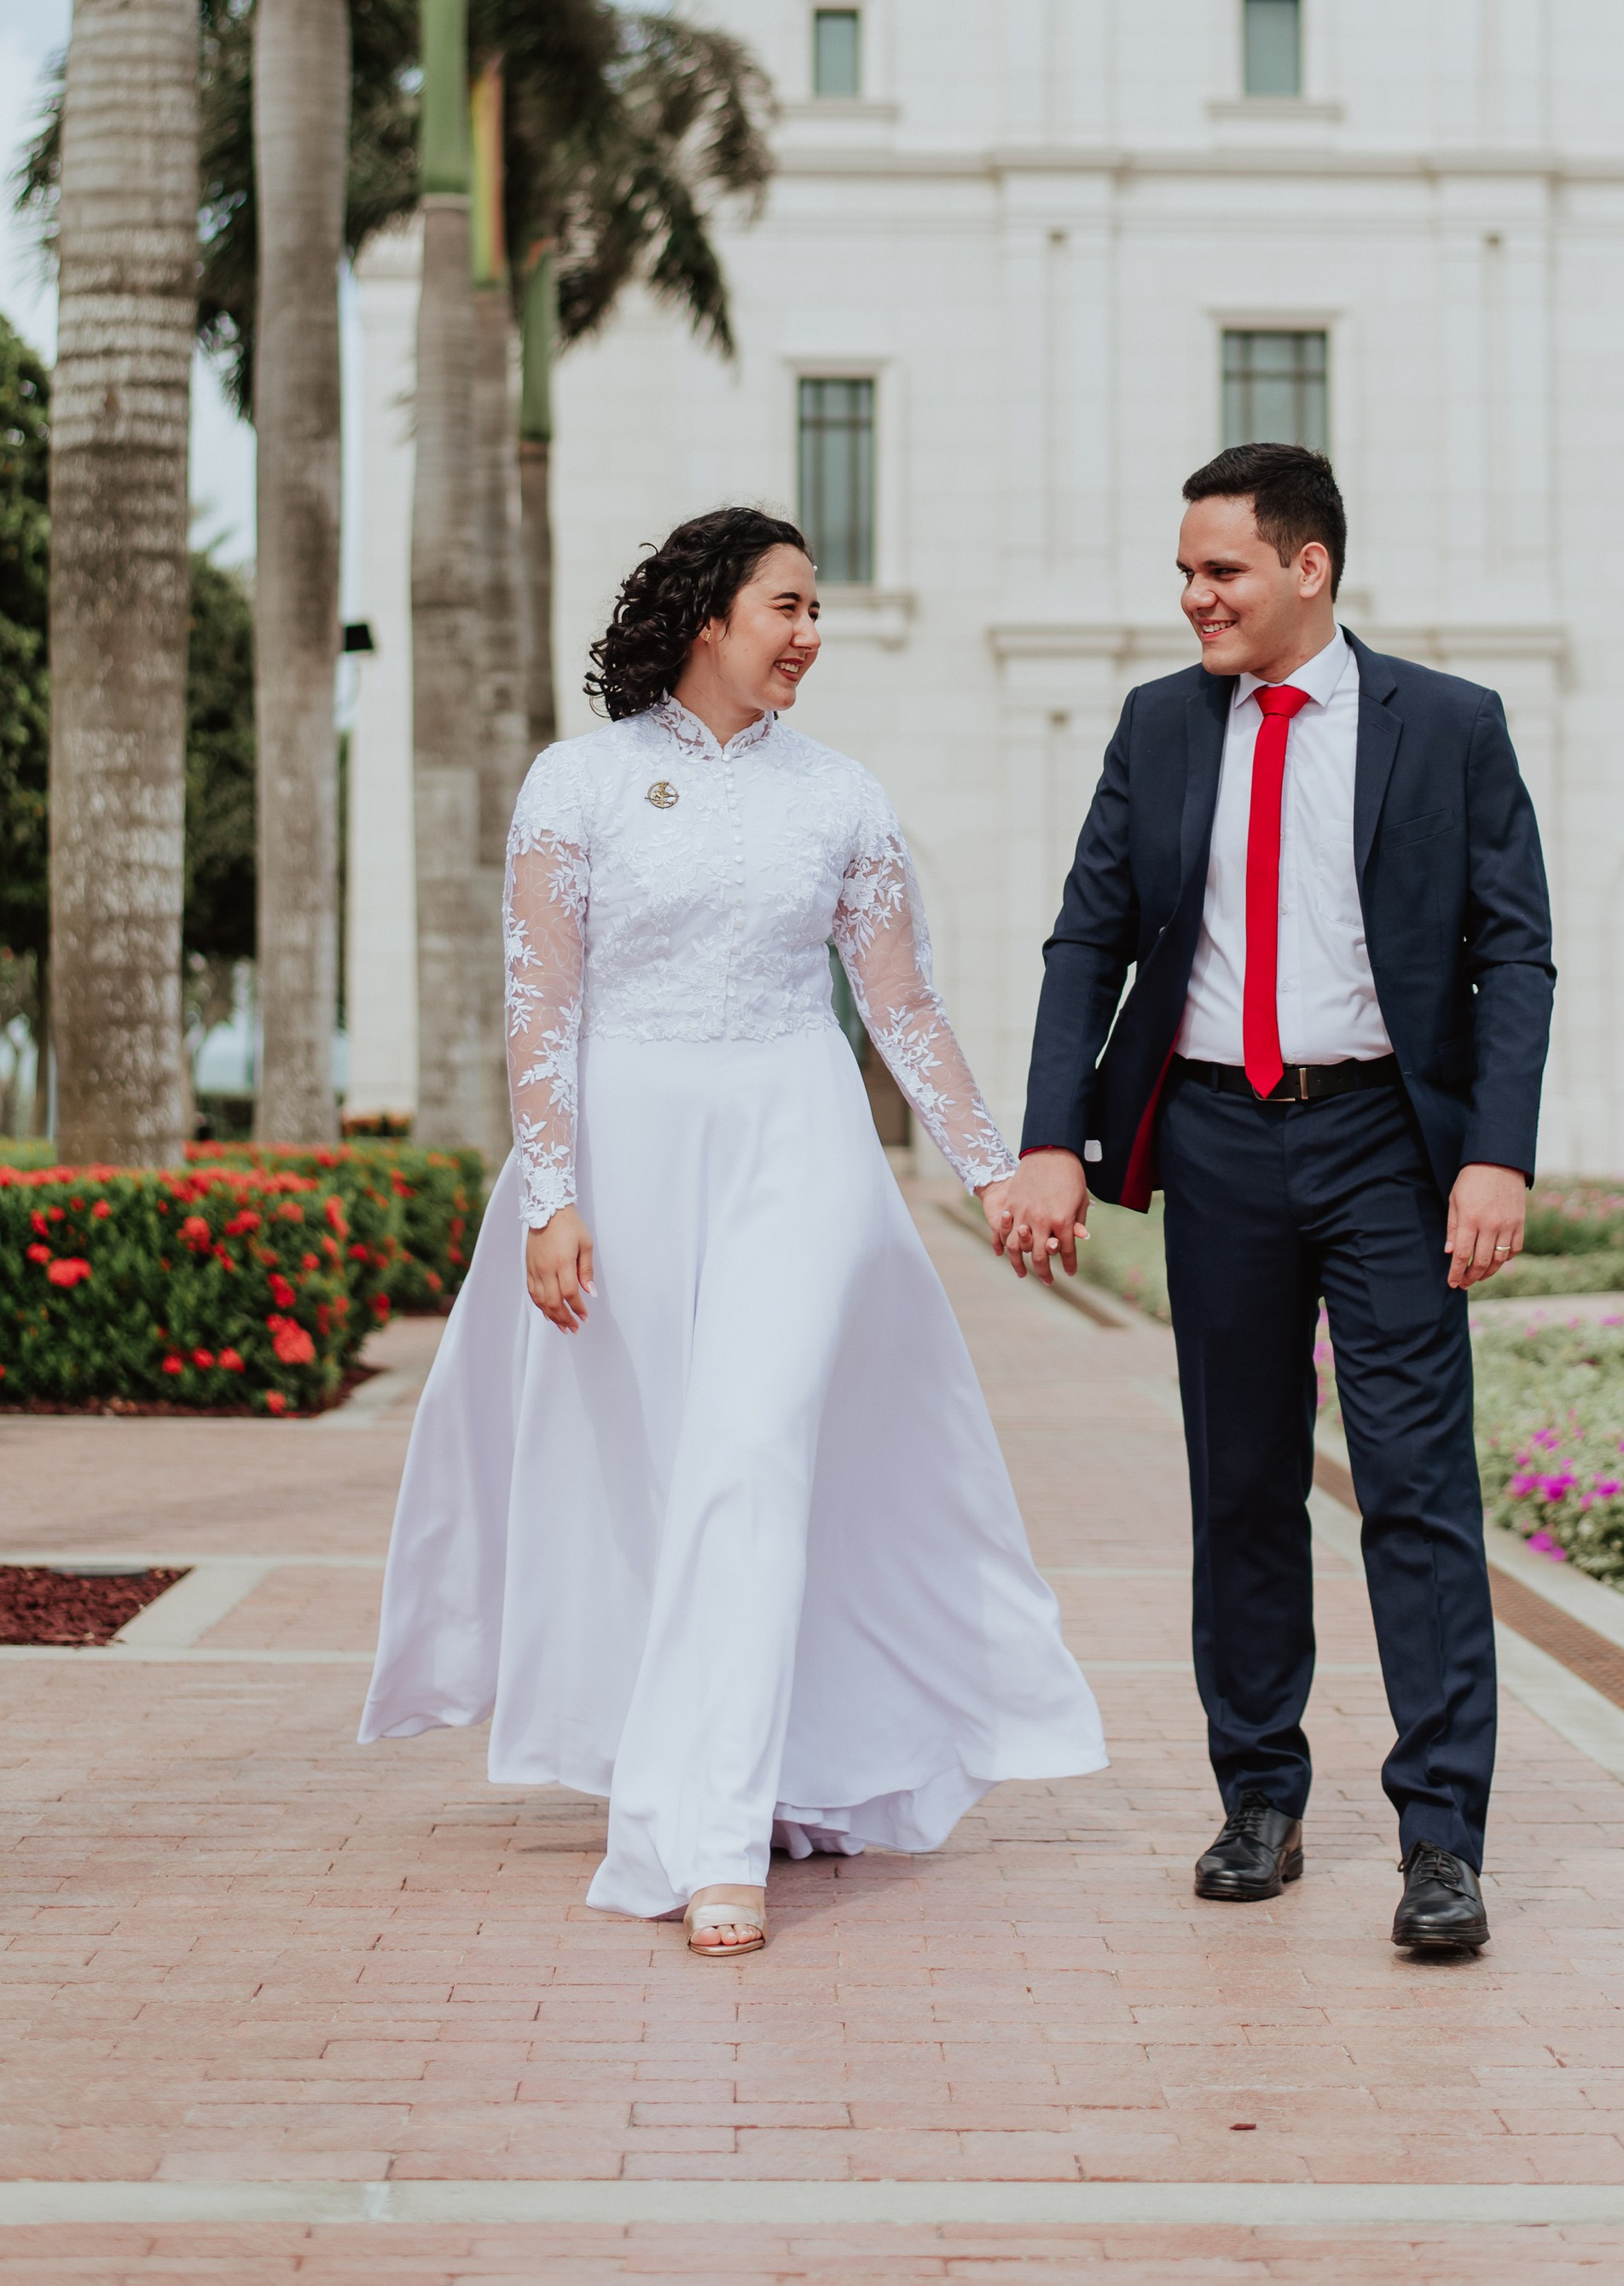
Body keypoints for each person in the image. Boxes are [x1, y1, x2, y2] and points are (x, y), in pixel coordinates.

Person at [360, 508, 1105, 1954]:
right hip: (629, 1157)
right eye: (789, 604)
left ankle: (707, 1843)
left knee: (750, 1456)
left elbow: (902, 1007)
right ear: (708, 616)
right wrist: (555, 1194)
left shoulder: (842, 797)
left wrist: (994, 1170)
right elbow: (541, 1008)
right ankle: (742, 1765)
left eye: (815, 605)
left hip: (799, 1149)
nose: (811, 630)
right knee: (664, 1476)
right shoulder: (577, 785)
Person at [1005, 444, 1554, 1960]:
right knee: (1241, 1484)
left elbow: (1516, 949)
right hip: (1221, 1143)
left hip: (1386, 1137)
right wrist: (1055, 1137)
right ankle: (1260, 1800)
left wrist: (1494, 1154)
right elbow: (1084, 943)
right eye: (1186, 573)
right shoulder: (1160, 728)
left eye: (1221, 571)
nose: (1195, 598)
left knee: (1414, 1493)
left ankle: (1442, 1841)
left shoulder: (1449, 727)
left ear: (1309, 566)